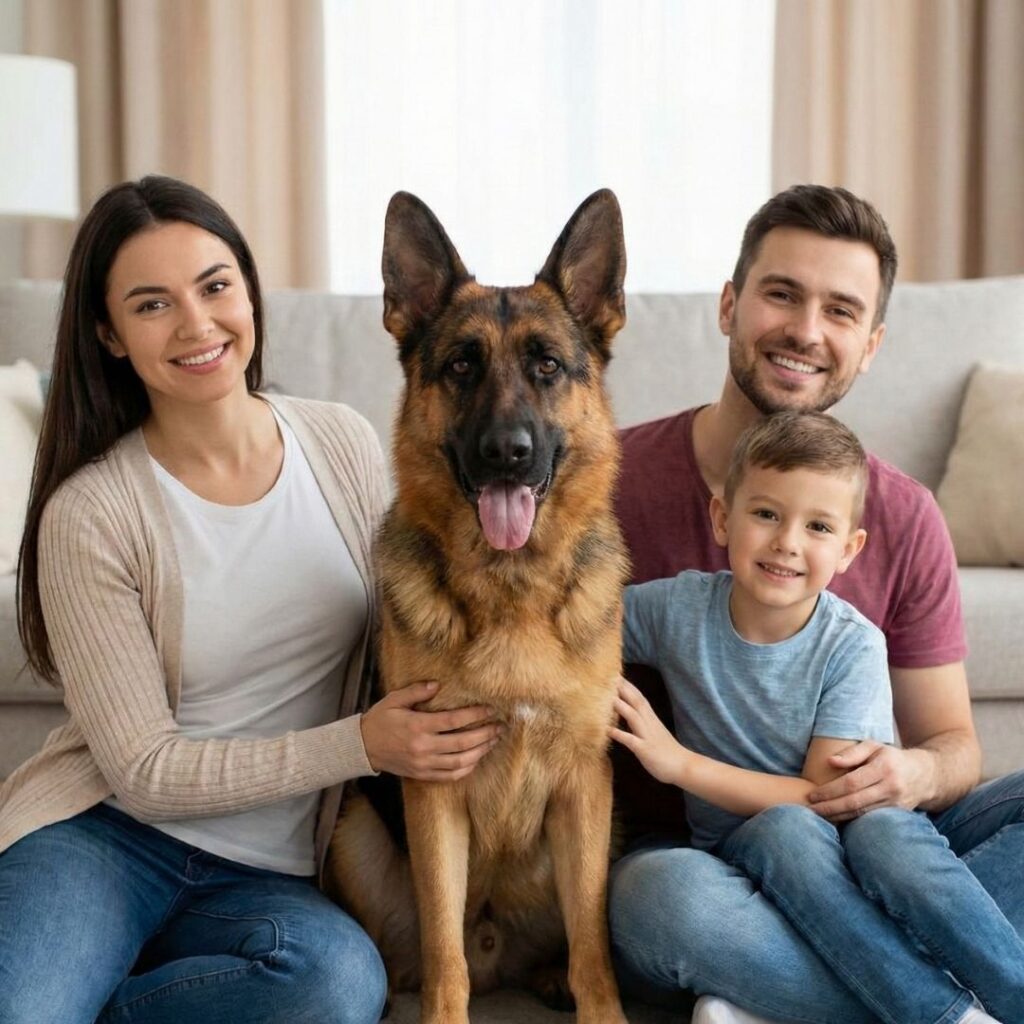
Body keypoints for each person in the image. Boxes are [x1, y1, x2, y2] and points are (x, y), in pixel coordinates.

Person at [0, 176, 503, 1024]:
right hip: (107, 840)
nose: (197, 325)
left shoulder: (339, 442)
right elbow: (144, 772)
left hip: (266, 874)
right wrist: (362, 746)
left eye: (215, 285)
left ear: (248, 291)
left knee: (338, 988)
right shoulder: (92, 512)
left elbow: (446, 585)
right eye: (152, 304)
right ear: (109, 334)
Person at [608, 184, 1024, 1024]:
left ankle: (772, 994)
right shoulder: (605, 479)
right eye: (782, 294)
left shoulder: (901, 515)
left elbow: (955, 747)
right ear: (729, 305)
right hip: (702, 859)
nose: (805, 330)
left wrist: (913, 771)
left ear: (869, 347)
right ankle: (936, 994)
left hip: (872, 845)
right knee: (666, 902)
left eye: (840, 311)